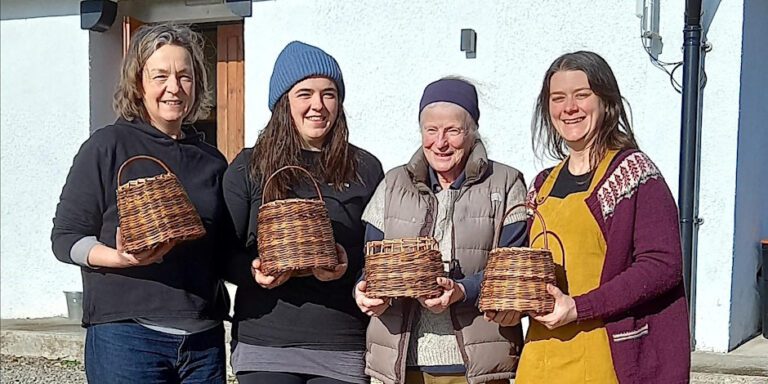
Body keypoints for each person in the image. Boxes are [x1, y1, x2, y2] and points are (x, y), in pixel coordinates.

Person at [494, 51, 690, 383]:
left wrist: (579, 307)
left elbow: (662, 265)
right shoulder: (542, 184)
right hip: (540, 357)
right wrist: (511, 305)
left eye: (582, 95)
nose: (569, 107)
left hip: (605, 356)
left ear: (606, 101)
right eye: (558, 98)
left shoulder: (634, 174)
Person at [51, 23, 231, 383]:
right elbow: (66, 238)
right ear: (138, 83)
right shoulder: (107, 147)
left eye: (185, 76)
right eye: (160, 76)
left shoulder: (211, 160)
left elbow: (224, 248)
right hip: (128, 337)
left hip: (202, 341)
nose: (174, 88)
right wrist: (116, 257)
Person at [222, 41, 384, 384]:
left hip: (341, 342)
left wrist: (346, 263)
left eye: (329, 94)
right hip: (265, 341)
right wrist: (253, 271)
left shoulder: (365, 169)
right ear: (284, 103)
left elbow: (375, 252)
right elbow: (221, 252)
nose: (318, 106)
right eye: (304, 94)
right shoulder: (249, 167)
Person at [354, 77, 528, 384]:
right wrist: (365, 292)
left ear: (472, 132)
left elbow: (513, 272)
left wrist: (464, 290)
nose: (440, 142)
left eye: (453, 130)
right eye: (431, 130)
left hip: (474, 367)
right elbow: (371, 265)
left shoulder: (506, 183)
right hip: (400, 364)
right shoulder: (392, 185)